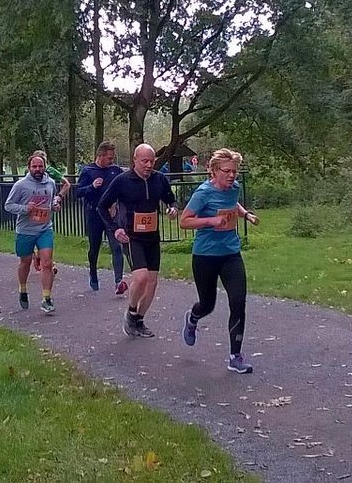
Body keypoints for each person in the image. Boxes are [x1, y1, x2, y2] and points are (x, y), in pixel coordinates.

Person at [178, 148, 259, 373]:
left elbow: (233, 204)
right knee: (207, 304)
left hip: (230, 253)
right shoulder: (203, 193)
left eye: (234, 171)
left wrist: (246, 214)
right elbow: (184, 221)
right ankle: (193, 318)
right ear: (214, 171)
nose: (232, 175)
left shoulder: (235, 188)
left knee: (238, 301)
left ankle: (235, 356)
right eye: (227, 171)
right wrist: (211, 221)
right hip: (205, 255)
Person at [97, 143, 178, 337]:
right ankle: (131, 312)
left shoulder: (159, 179)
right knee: (141, 277)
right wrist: (115, 229)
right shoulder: (122, 181)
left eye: (151, 161)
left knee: (152, 282)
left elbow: (170, 199)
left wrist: (173, 208)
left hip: (152, 237)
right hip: (131, 236)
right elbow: (102, 206)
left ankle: (138, 320)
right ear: (135, 160)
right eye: (144, 161)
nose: (148, 165)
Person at [4, 153, 62, 314]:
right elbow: (8, 205)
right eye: (34, 166)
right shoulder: (21, 185)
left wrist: (55, 206)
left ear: (45, 167)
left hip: (45, 229)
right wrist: (25, 208)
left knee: (47, 263)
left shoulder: (50, 183)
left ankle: (47, 298)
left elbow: (51, 202)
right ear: (29, 167)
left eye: (40, 166)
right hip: (26, 230)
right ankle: (23, 289)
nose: (37, 169)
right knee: (25, 262)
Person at [75, 141, 128, 293]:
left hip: (111, 215)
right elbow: (77, 193)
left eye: (112, 158)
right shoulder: (88, 171)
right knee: (94, 248)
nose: (111, 161)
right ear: (100, 155)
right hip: (94, 215)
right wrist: (91, 186)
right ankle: (93, 274)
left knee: (117, 247)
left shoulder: (115, 170)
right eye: (109, 158)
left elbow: (124, 186)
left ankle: (118, 281)